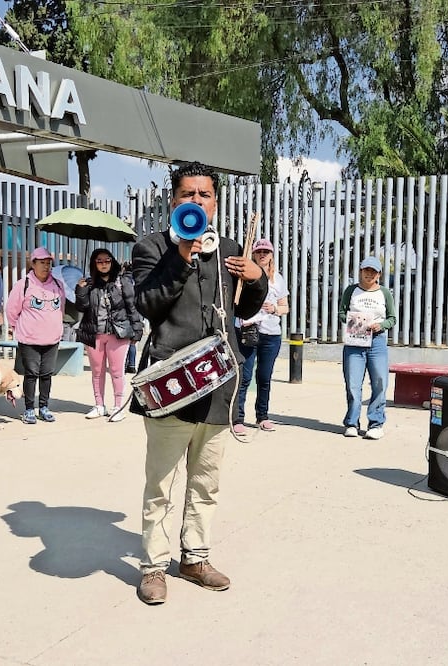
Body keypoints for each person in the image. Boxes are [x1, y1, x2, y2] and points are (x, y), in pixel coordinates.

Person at [129, 162, 268, 605]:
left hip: (218, 387)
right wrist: (181, 254)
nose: (195, 201)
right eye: (187, 194)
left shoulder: (228, 249)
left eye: (204, 195)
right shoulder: (150, 248)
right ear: (173, 200)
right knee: (161, 486)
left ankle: (194, 557)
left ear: (215, 202)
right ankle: (153, 566)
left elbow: (244, 311)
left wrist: (257, 279)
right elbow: (149, 305)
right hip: (171, 386)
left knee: (206, 483)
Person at [74, 248, 144, 420]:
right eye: (99, 261)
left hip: (118, 332)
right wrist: (81, 290)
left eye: (107, 260)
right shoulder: (89, 285)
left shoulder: (122, 282)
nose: (103, 264)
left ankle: (118, 407)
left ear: (112, 262)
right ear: (94, 264)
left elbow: (132, 307)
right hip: (94, 333)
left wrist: (137, 331)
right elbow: (81, 307)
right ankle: (99, 405)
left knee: (117, 371)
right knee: (97, 372)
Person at [233, 238, 290, 434]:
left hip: (271, 334)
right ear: (254, 254)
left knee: (264, 377)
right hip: (249, 330)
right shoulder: (245, 276)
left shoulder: (278, 279)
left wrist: (274, 309)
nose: (262, 255)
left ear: (272, 255)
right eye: (259, 252)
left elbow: (285, 307)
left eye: (266, 252)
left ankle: (262, 416)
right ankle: (237, 417)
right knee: (245, 376)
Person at [5, 247, 65, 425]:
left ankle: (44, 407)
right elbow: (11, 310)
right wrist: (19, 328)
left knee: (47, 374)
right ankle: (29, 409)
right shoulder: (23, 284)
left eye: (48, 263)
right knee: (31, 374)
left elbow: (60, 309)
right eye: (42, 263)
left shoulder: (57, 284)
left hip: (52, 339)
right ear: (33, 264)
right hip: (29, 339)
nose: (46, 267)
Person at [338, 256, 396, 440]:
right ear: (360, 271)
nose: (369, 274)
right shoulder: (351, 291)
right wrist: (354, 321)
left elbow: (392, 318)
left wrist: (382, 325)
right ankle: (352, 423)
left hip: (377, 341)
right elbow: (341, 312)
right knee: (353, 384)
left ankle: (376, 423)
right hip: (355, 340)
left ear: (379, 274)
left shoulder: (385, 293)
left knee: (380, 381)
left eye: (374, 271)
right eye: (366, 270)